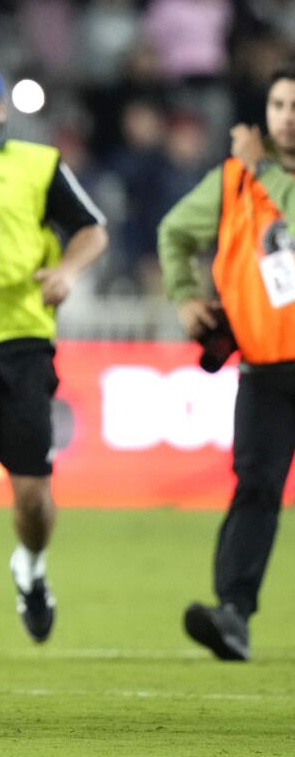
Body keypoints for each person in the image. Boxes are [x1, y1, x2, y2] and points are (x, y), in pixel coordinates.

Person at [0, 61, 108, 658]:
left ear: (1, 109)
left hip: (24, 347)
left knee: (32, 497)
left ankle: (30, 566)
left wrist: (66, 271)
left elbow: (92, 229)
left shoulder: (39, 164)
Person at [158, 65, 295, 661]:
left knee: (256, 491)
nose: (287, 116)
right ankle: (233, 614)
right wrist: (186, 297)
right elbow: (173, 233)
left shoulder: (254, 175)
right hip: (265, 369)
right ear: (265, 115)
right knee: (256, 490)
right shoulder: (233, 180)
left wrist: (261, 169)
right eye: (279, 104)